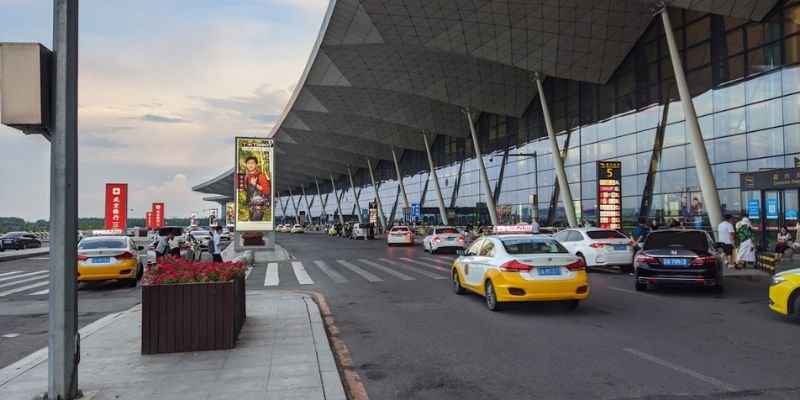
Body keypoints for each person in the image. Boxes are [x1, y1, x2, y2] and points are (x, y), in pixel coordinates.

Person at [244, 156, 271, 222]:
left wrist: (255, 185)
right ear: (246, 165)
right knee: (253, 224)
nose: (250, 165)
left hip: (259, 205)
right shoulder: (247, 177)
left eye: (252, 163)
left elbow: (267, 191)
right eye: (248, 163)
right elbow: (249, 193)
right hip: (251, 205)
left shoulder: (260, 175)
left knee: (255, 224)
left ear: (256, 164)